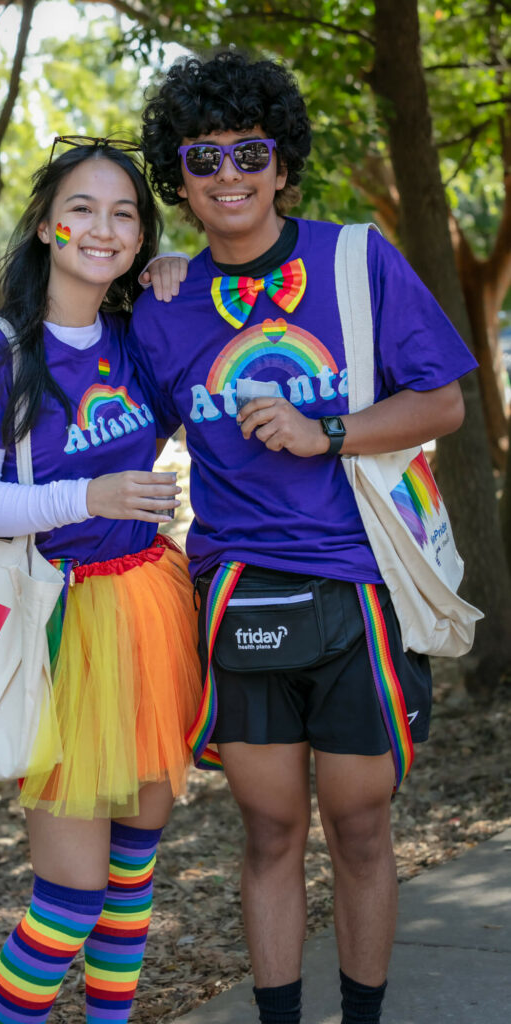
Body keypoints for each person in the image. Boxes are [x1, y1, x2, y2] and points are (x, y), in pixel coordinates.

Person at [128, 52, 478, 1024]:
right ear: (181, 175)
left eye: (250, 150)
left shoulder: (354, 260)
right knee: (270, 829)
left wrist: (325, 429)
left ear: (282, 164)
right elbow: (118, 423)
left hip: (358, 589)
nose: (228, 172)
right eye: (204, 156)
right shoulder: (163, 308)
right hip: (238, 599)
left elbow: (441, 400)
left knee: (361, 828)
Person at [0, 136, 201, 1024]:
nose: (103, 226)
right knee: (70, 898)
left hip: (150, 610)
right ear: (48, 224)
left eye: (124, 213)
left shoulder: (139, 337)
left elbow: (218, 357)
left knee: (133, 872)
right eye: (83, 208)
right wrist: (84, 493)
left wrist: (181, 274)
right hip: (59, 626)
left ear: (139, 235)